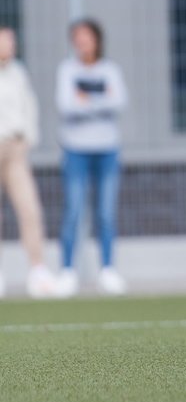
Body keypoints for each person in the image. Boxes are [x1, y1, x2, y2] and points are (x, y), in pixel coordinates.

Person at [55, 18, 128, 297]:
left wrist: (85, 100)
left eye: (87, 37)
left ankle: (108, 270)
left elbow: (119, 101)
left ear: (97, 40)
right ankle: (67, 272)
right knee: (73, 211)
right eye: (78, 38)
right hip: (75, 150)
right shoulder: (67, 69)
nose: (82, 42)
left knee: (106, 212)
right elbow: (65, 106)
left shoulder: (110, 69)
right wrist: (101, 100)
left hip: (107, 149)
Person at [0, 26, 57, 298]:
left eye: (11, 41)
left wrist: (28, 140)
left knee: (29, 209)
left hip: (15, 149)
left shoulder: (18, 72)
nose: (9, 46)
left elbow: (29, 107)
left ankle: (38, 272)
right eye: (5, 41)